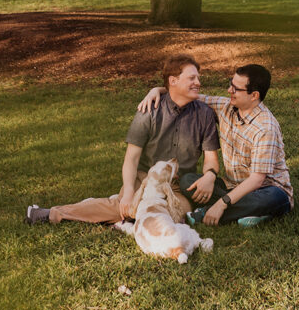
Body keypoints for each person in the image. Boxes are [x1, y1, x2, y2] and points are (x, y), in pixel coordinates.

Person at [24, 54, 220, 226]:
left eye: (198, 78)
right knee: (126, 208)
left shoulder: (205, 115)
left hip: (175, 186)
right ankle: (52, 214)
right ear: (173, 81)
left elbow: (210, 158)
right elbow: (131, 158)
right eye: (192, 78)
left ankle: (120, 212)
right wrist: (128, 191)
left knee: (178, 214)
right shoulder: (149, 110)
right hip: (143, 179)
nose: (198, 83)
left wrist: (209, 176)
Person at [138, 64, 292, 227]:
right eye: (230, 84)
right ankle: (250, 214)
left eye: (235, 89)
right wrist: (157, 90)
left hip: (266, 189)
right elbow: (190, 94)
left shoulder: (265, 128)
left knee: (273, 198)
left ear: (254, 95)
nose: (229, 90)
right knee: (188, 181)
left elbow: (256, 180)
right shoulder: (226, 107)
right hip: (231, 186)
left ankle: (208, 213)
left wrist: (221, 204)